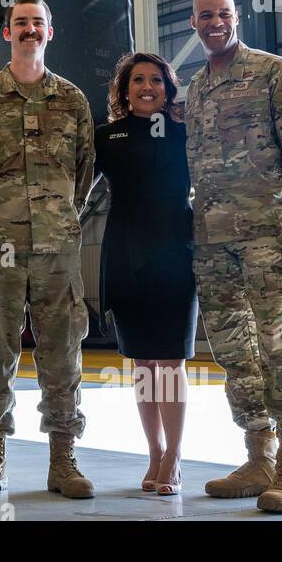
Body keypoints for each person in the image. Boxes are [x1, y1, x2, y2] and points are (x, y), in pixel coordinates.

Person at [184, 0, 282, 514]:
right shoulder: (196, 89)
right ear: (193, 23)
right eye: (205, 16)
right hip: (213, 244)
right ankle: (259, 455)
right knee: (235, 354)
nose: (214, 22)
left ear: (235, 18)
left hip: (271, 240)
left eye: (222, 14)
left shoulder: (274, 72)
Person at [0, 0, 97, 500]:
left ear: (49, 32)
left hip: (58, 249)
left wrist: (55, 219)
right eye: (20, 23)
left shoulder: (73, 101)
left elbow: (84, 173)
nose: (30, 29)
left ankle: (64, 459)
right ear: (7, 33)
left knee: (63, 356)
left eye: (38, 22)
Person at [95, 52, 198, 496]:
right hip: (125, 253)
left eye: (156, 79)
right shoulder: (107, 136)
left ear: (168, 87)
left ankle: (174, 455)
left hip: (175, 253)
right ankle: (153, 451)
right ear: (124, 89)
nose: (147, 87)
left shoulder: (184, 133)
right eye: (137, 80)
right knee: (143, 362)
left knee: (171, 362)